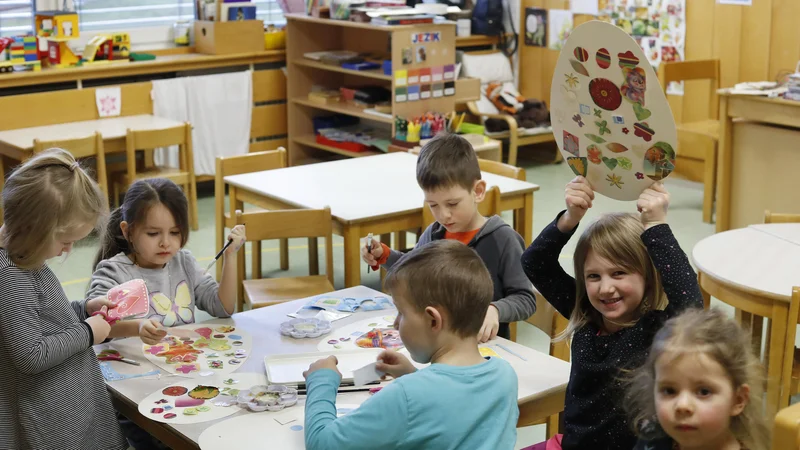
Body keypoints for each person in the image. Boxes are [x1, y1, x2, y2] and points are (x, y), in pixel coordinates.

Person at [520, 176, 703, 450]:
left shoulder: (659, 331)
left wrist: (656, 226)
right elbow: (534, 262)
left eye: (619, 273)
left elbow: (691, 306)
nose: (606, 288)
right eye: (593, 276)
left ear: (648, 278)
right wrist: (571, 216)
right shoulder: (584, 313)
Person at [304, 240, 519, 449]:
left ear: (433, 320)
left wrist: (321, 380)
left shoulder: (406, 396)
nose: (396, 323)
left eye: (401, 312)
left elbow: (323, 443)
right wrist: (412, 374)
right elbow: (451, 406)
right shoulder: (505, 374)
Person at [0, 148, 126, 449]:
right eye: (65, 241)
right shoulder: (10, 275)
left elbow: (43, 317)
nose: (67, 250)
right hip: (49, 417)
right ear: (34, 229)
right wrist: (87, 332)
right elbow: (30, 353)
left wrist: (83, 310)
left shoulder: (26, 257)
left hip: (65, 407)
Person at [362, 133, 535, 342]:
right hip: (438, 345)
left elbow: (525, 299)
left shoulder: (503, 239)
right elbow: (414, 272)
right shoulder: (435, 233)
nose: (444, 215)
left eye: (452, 204)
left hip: (484, 349)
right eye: (433, 205)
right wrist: (385, 255)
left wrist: (495, 310)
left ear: (478, 191)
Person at [626, 308, 771, 450]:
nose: (682, 406)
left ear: (738, 400)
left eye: (703, 391)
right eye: (669, 390)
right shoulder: (653, 438)